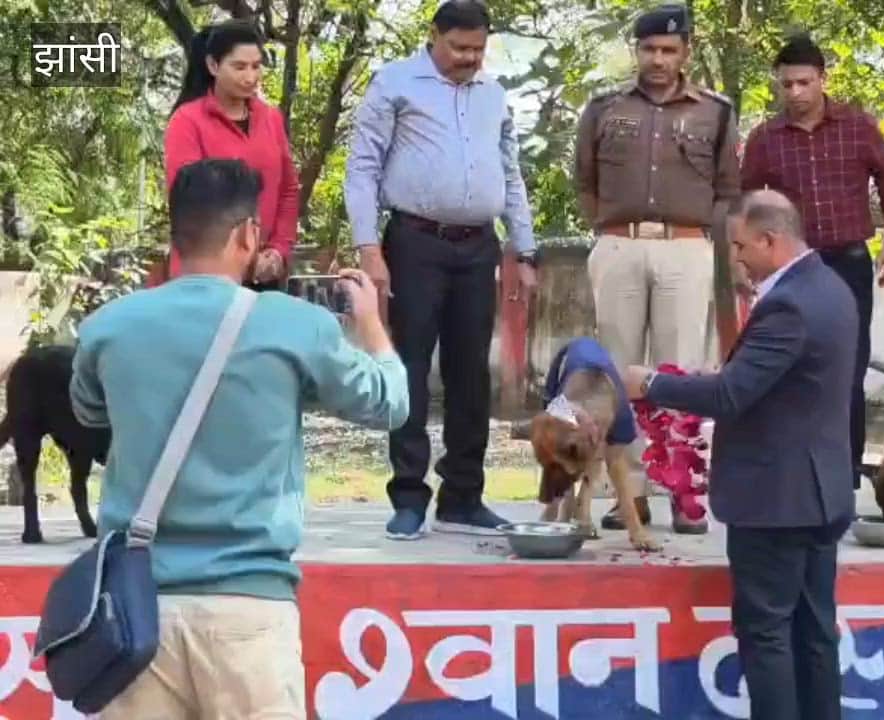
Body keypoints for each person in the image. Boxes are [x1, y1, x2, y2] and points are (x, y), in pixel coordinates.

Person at [71, 158, 409, 719]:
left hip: (134, 616)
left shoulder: (109, 327)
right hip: (249, 616)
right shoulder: (296, 327)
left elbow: (87, 410)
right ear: (249, 233)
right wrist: (370, 322)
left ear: (175, 236)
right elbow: (389, 404)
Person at [624, 190, 856, 720]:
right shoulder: (830, 287)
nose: (736, 259)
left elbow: (732, 395)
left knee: (767, 633)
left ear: (771, 240)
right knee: (815, 633)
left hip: (777, 499)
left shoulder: (789, 304)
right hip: (819, 492)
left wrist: (652, 383)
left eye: (739, 246)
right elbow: (775, 383)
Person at [344, 0, 539, 538]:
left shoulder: (493, 95)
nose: (469, 59)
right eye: (459, 48)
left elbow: (511, 173)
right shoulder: (394, 83)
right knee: (408, 367)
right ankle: (408, 497)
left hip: (479, 248)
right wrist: (368, 249)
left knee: (471, 373)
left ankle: (464, 496)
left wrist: (523, 250)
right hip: (415, 244)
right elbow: (362, 167)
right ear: (434, 37)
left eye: (478, 49)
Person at [574, 3, 740, 535]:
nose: (658, 59)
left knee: (681, 373)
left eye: (669, 50)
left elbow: (728, 189)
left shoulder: (715, 112)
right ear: (636, 51)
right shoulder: (604, 108)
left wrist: (715, 249)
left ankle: (684, 496)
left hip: (687, 248)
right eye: (649, 49)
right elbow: (585, 180)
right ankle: (631, 496)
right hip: (620, 245)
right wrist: (608, 230)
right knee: (618, 374)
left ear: (686, 52)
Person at [740, 34, 884, 490]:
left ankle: (844, 475)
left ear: (822, 80)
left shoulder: (856, 126)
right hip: (790, 270)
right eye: (786, 85)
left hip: (849, 263)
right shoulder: (765, 139)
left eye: (803, 83)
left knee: (848, 368)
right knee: (785, 369)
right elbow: (748, 207)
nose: (795, 93)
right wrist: (745, 267)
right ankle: (791, 474)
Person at [163, 19, 299, 290]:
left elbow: (289, 189)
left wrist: (276, 251)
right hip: (205, 278)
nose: (250, 77)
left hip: (265, 275)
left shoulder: (271, 119)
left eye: (256, 66)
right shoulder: (187, 121)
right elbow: (190, 203)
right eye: (239, 67)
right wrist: (240, 257)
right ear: (213, 66)